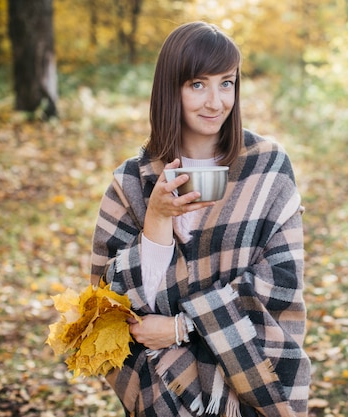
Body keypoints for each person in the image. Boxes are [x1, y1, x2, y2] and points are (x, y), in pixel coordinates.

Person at [90, 21, 311, 417]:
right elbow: (111, 305)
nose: (215, 102)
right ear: (170, 88)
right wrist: (157, 219)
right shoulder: (132, 182)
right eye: (198, 84)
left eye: (226, 83)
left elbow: (280, 284)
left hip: (248, 388)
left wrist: (182, 326)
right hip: (163, 395)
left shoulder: (268, 167)